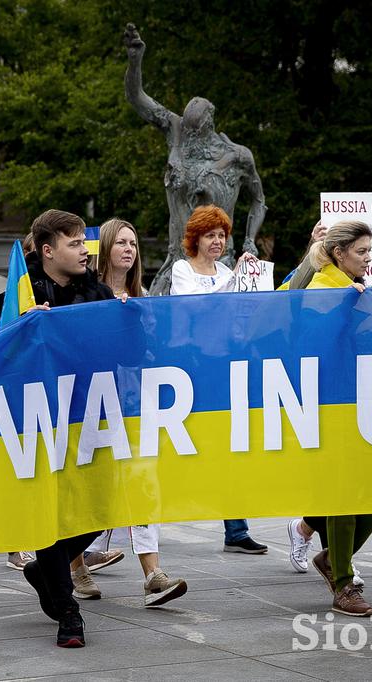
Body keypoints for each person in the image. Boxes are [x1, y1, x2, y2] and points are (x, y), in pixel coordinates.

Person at [77, 218, 188, 608]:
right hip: (89, 403)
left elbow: (149, 350)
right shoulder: (84, 293)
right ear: (105, 247)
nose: (129, 249)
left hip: (133, 403)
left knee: (143, 482)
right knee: (89, 486)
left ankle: (152, 574)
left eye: (134, 243)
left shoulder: (141, 297)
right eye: (121, 242)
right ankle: (75, 566)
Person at [20, 209, 113, 649]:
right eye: (75, 243)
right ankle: (68, 612)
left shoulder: (99, 291)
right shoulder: (22, 292)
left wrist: (126, 322)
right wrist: (26, 328)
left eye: (84, 242)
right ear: (48, 250)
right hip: (39, 420)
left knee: (108, 506)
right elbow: (1, 354)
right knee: (49, 516)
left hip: (91, 413)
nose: (84, 250)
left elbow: (122, 353)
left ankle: (45, 571)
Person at [124, 23, 266, 295]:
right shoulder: (175, 129)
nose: (189, 137)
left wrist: (250, 240)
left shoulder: (237, 156)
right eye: (187, 131)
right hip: (177, 262)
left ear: (208, 125)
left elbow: (258, 200)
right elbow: (137, 98)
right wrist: (135, 60)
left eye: (195, 132)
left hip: (220, 263)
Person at [293, 220, 372, 618]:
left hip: (362, 398)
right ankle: (343, 581)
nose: (368, 259)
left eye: (369, 251)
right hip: (331, 401)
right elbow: (316, 344)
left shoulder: (355, 289)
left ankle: (331, 556)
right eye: (362, 252)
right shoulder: (323, 291)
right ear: (339, 253)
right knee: (344, 489)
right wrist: (354, 310)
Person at [168, 206, 269, 555]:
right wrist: (234, 282)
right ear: (195, 238)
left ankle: (236, 528)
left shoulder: (227, 270)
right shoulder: (182, 270)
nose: (218, 241)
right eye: (210, 234)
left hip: (226, 363)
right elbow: (193, 307)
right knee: (188, 444)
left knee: (233, 443)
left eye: (221, 235)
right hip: (192, 367)